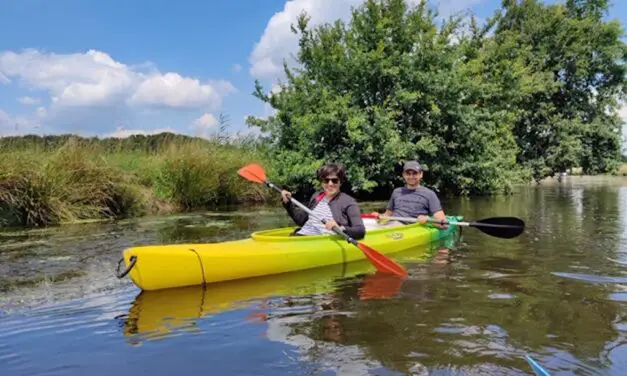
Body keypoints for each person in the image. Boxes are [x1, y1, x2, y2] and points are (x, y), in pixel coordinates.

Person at [280, 162, 366, 239]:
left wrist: (341, 229)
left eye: (334, 180)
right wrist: (288, 203)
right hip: (301, 237)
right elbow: (301, 221)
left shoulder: (348, 202)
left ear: (341, 182)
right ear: (321, 182)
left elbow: (360, 230)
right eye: (326, 180)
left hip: (320, 242)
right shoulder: (317, 196)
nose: (330, 184)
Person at [370, 160, 448, 228]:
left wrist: (428, 219)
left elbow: (444, 224)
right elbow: (387, 215)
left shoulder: (429, 194)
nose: (411, 176)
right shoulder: (396, 192)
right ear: (403, 175)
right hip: (392, 225)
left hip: (410, 228)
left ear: (421, 174)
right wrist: (379, 216)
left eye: (415, 173)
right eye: (408, 173)